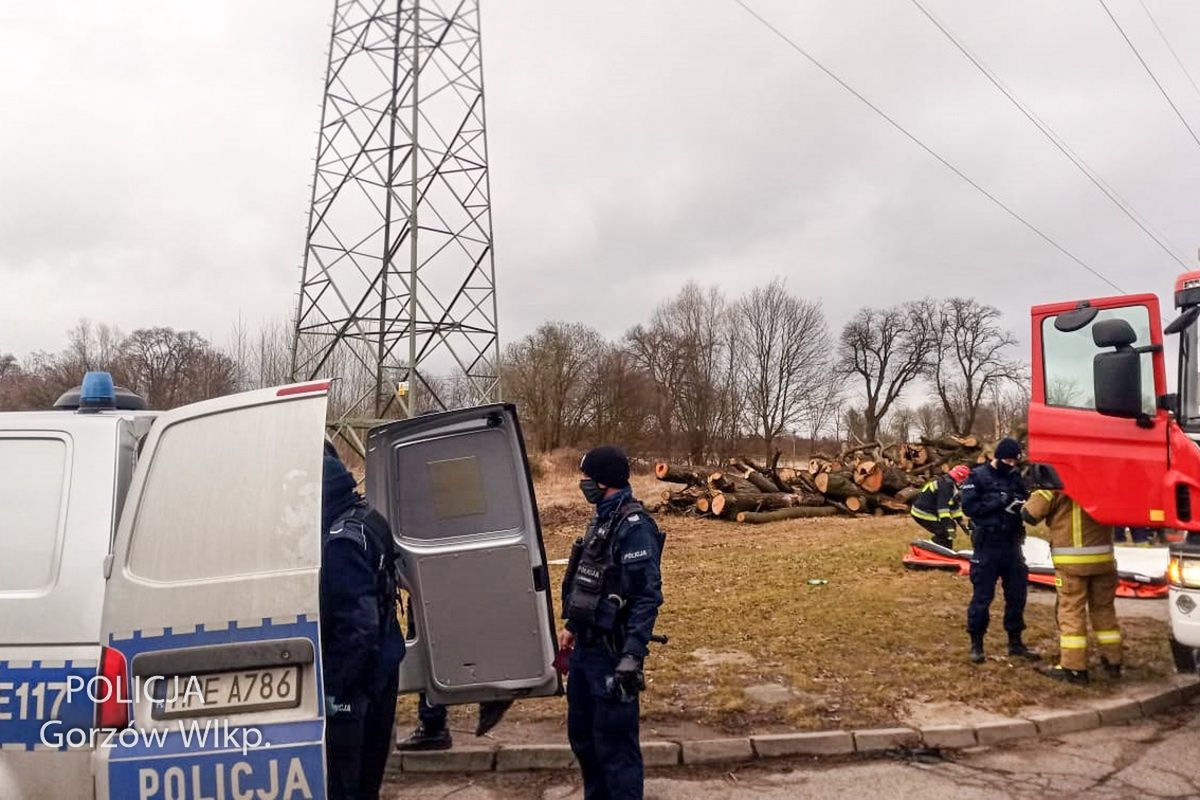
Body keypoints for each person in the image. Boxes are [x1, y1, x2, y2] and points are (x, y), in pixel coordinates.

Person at [560, 446, 664, 800]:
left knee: (615, 749)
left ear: (603, 480)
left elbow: (646, 597)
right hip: (585, 652)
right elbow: (592, 580)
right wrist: (572, 627)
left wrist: (632, 655)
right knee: (584, 739)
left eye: (586, 477)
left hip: (612, 654)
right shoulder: (602, 519)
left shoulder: (635, 528)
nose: (582, 483)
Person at [321, 443, 406, 800]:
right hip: (382, 667)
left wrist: (335, 690)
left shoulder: (341, 543)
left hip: (356, 683)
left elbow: (357, 627)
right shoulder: (367, 517)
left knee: (345, 783)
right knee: (368, 775)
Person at [1022, 489, 1122, 685]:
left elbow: (1029, 514)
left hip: (1072, 565)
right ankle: (1113, 661)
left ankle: (1074, 668)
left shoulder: (1056, 483)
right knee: (1104, 610)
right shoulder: (1103, 480)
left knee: (1071, 612)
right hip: (1104, 561)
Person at [960, 437, 1038, 665]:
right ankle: (976, 644)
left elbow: (1026, 499)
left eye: (1015, 460)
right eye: (1007, 459)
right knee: (982, 597)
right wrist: (998, 502)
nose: (1011, 464)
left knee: (1017, 595)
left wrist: (1020, 502)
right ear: (997, 457)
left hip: (1012, 544)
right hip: (987, 545)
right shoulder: (977, 476)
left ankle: (1015, 642)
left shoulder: (1015, 476)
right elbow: (970, 507)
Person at [395, 597, 452, 751]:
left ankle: (433, 725)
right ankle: (433, 723)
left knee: (425, 655)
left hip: (428, 599)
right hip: (432, 597)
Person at [910, 464, 971, 548]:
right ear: (960, 479)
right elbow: (943, 508)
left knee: (950, 528)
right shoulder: (946, 485)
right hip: (923, 513)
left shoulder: (951, 484)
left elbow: (953, 505)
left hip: (930, 510)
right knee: (943, 531)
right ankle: (929, 549)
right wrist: (947, 525)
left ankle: (946, 551)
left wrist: (960, 521)